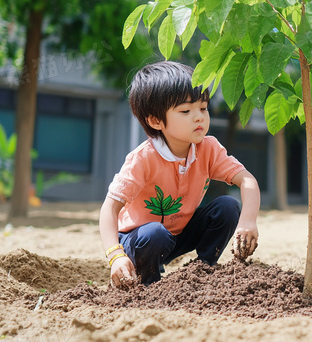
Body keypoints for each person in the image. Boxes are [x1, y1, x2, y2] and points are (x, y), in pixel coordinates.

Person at [99, 61, 261, 288]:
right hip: (140, 240)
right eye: (186, 111)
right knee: (155, 234)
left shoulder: (208, 148)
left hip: (178, 234)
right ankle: (149, 286)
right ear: (156, 121)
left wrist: (248, 220)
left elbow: (247, 180)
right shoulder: (143, 158)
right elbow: (110, 208)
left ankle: (203, 272)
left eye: (203, 108)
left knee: (227, 207)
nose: (199, 117)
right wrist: (115, 255)